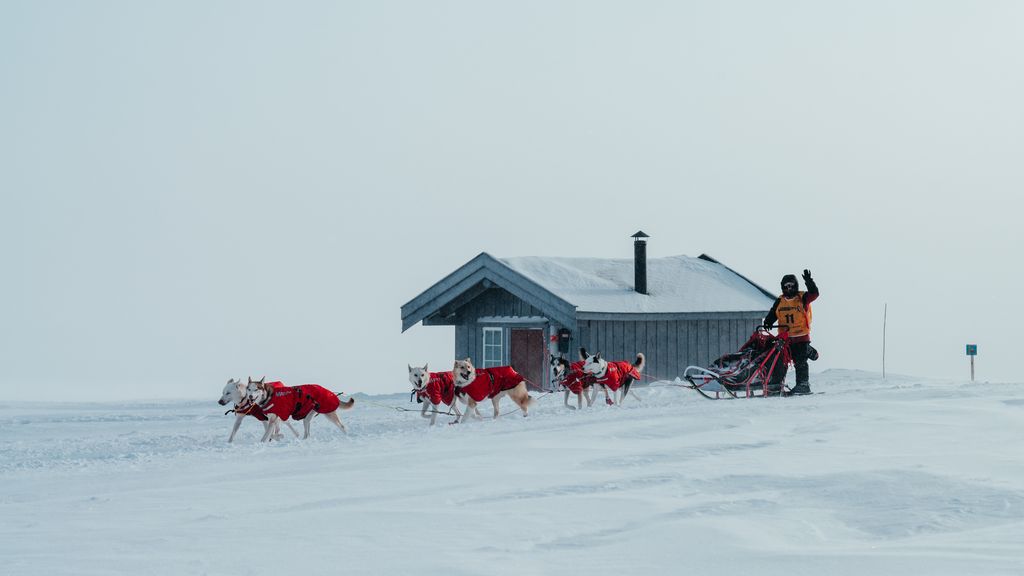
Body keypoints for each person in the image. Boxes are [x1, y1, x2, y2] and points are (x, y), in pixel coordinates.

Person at [763, 269, 819, 395]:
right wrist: (768, 321)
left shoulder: (802, 297)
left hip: (800, 336)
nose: (789, 289)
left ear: (796, 286)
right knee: (779, 361)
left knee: (799, 361)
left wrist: (809, 282)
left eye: (791, 286)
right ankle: (776, 385)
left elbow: (814, 294)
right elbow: (773, 313)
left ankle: (803, 385)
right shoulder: (780, 300)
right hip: (785, 338)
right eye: (786, 286)